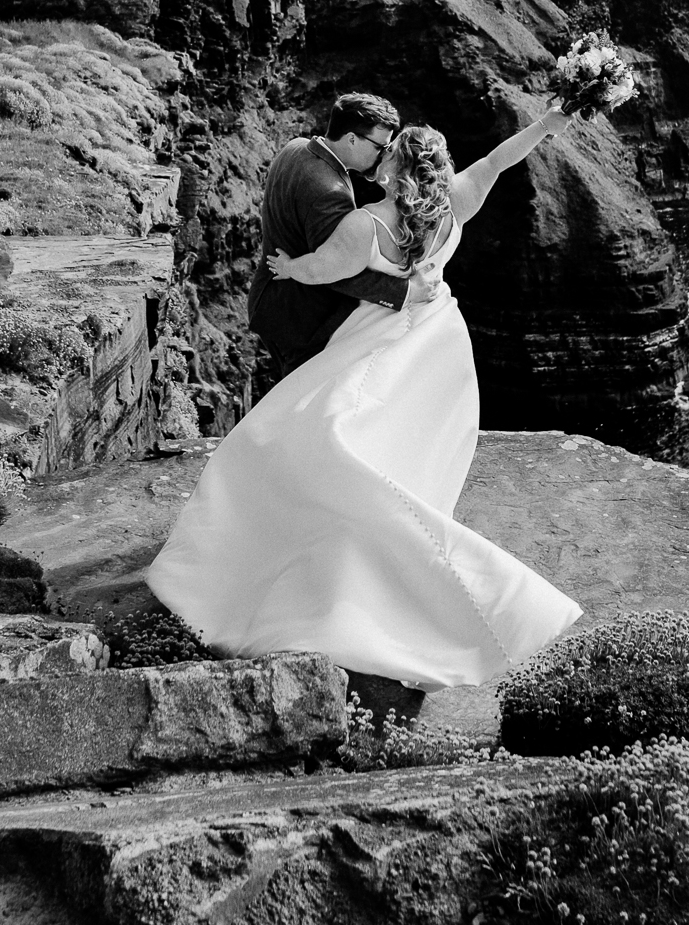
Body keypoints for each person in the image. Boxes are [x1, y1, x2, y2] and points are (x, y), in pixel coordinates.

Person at [145, 102, 583, 689]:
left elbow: (323, 271)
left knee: (308, 435)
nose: (378, 156)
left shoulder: (365, 224)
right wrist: (547, 126)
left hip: (378, 343)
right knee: (397, 445)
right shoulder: (458, 198)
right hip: (439, 345)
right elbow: (500, 160)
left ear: (394, 170)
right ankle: (378, 549)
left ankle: (363, 552)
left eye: (387, 152)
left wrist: (287, 265)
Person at [246, 94, 422, 382]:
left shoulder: (297, 147)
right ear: (352, 139)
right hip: (302, 318)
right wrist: (404, 292)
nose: (384, 155)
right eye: (381, 147)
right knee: (303, 401)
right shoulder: (329, 192)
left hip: (271, 300)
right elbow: (337, 271)